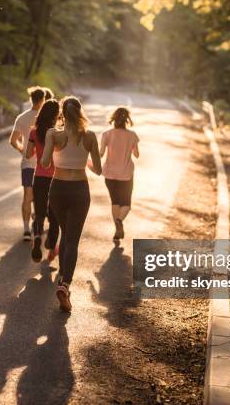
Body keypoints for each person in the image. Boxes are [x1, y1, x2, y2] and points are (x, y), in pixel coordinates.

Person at [41, 96, 102, 312]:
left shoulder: (54, 134)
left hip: (58, 189)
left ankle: (64, 281)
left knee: (66, 234)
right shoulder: (90, 137)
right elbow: (98, 170)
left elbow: (45, 162)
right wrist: (83, 159)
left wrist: (51, 141)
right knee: (72, 239)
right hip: (79, 190)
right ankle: (65, 284)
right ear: (80, 112)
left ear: (62, 114)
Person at [25, 99, 60, 263]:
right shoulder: (56, 133)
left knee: (39, 214)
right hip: (56, 178)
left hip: (39, 177)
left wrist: (38, 151)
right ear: (55, 114)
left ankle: (37, 235)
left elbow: (28, 154)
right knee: (55, 216)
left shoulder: (34, 132)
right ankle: (51, 245)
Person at [9, 86, 45, 241]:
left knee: (27, 196)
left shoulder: (22, 117)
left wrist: (23, 150)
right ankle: (37, 224)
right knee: (42, 197)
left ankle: (25, 230)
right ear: (43, 100)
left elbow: (12, 140)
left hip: (28, 164)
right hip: (44, 164)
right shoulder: (47, 117)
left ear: (31, 99)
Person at [99, 107, 140, 241]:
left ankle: (117, 229)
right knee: (126, 204)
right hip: (126, 174)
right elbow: (137, 155)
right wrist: (131, 148)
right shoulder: (132, 135)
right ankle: (119, 221)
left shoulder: (106, 134)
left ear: (114, 118)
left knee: (115, 201)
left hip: (110, 174)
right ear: (127, 119)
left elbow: (100, 154)